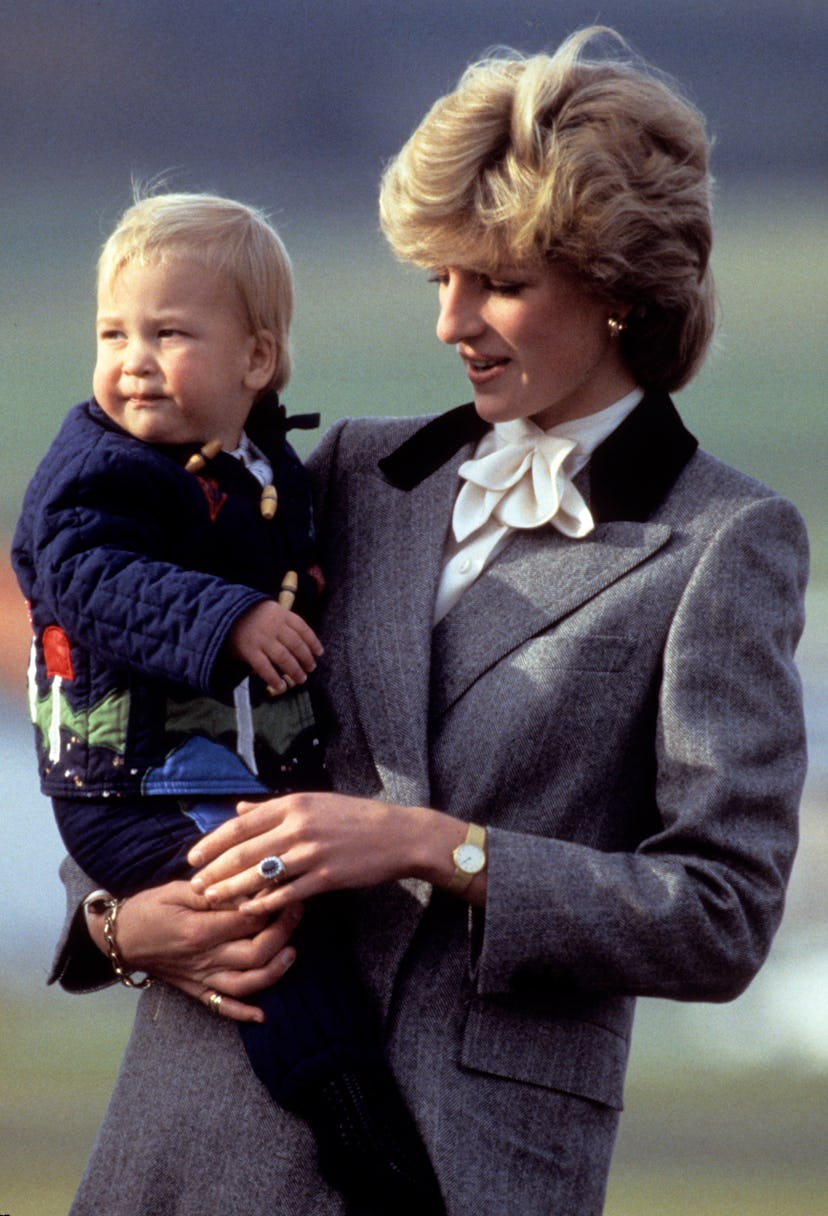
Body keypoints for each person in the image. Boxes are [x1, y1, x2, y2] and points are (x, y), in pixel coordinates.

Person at [47, 27, 808, 1216]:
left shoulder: (725, 542)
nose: (452, 322)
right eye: (439, 278)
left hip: (470, 1162)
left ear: (616, 289)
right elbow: (138, 721)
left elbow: (719, 915)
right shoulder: (340, 470)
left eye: (498, 281)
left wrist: (431, 845)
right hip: (195, 1138)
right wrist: (121, 926)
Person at [12, 192, 444, 1214]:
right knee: (265, 913)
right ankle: (346, 1106)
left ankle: (343, 1071)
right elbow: (87, 575)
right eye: (113, 333)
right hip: (134, 779)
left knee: (291, 895)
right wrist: (231, 615)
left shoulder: (259, 460)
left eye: (169, 333)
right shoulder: (97, 472)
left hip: (211, 765)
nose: (133, 360)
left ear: (257, 361)